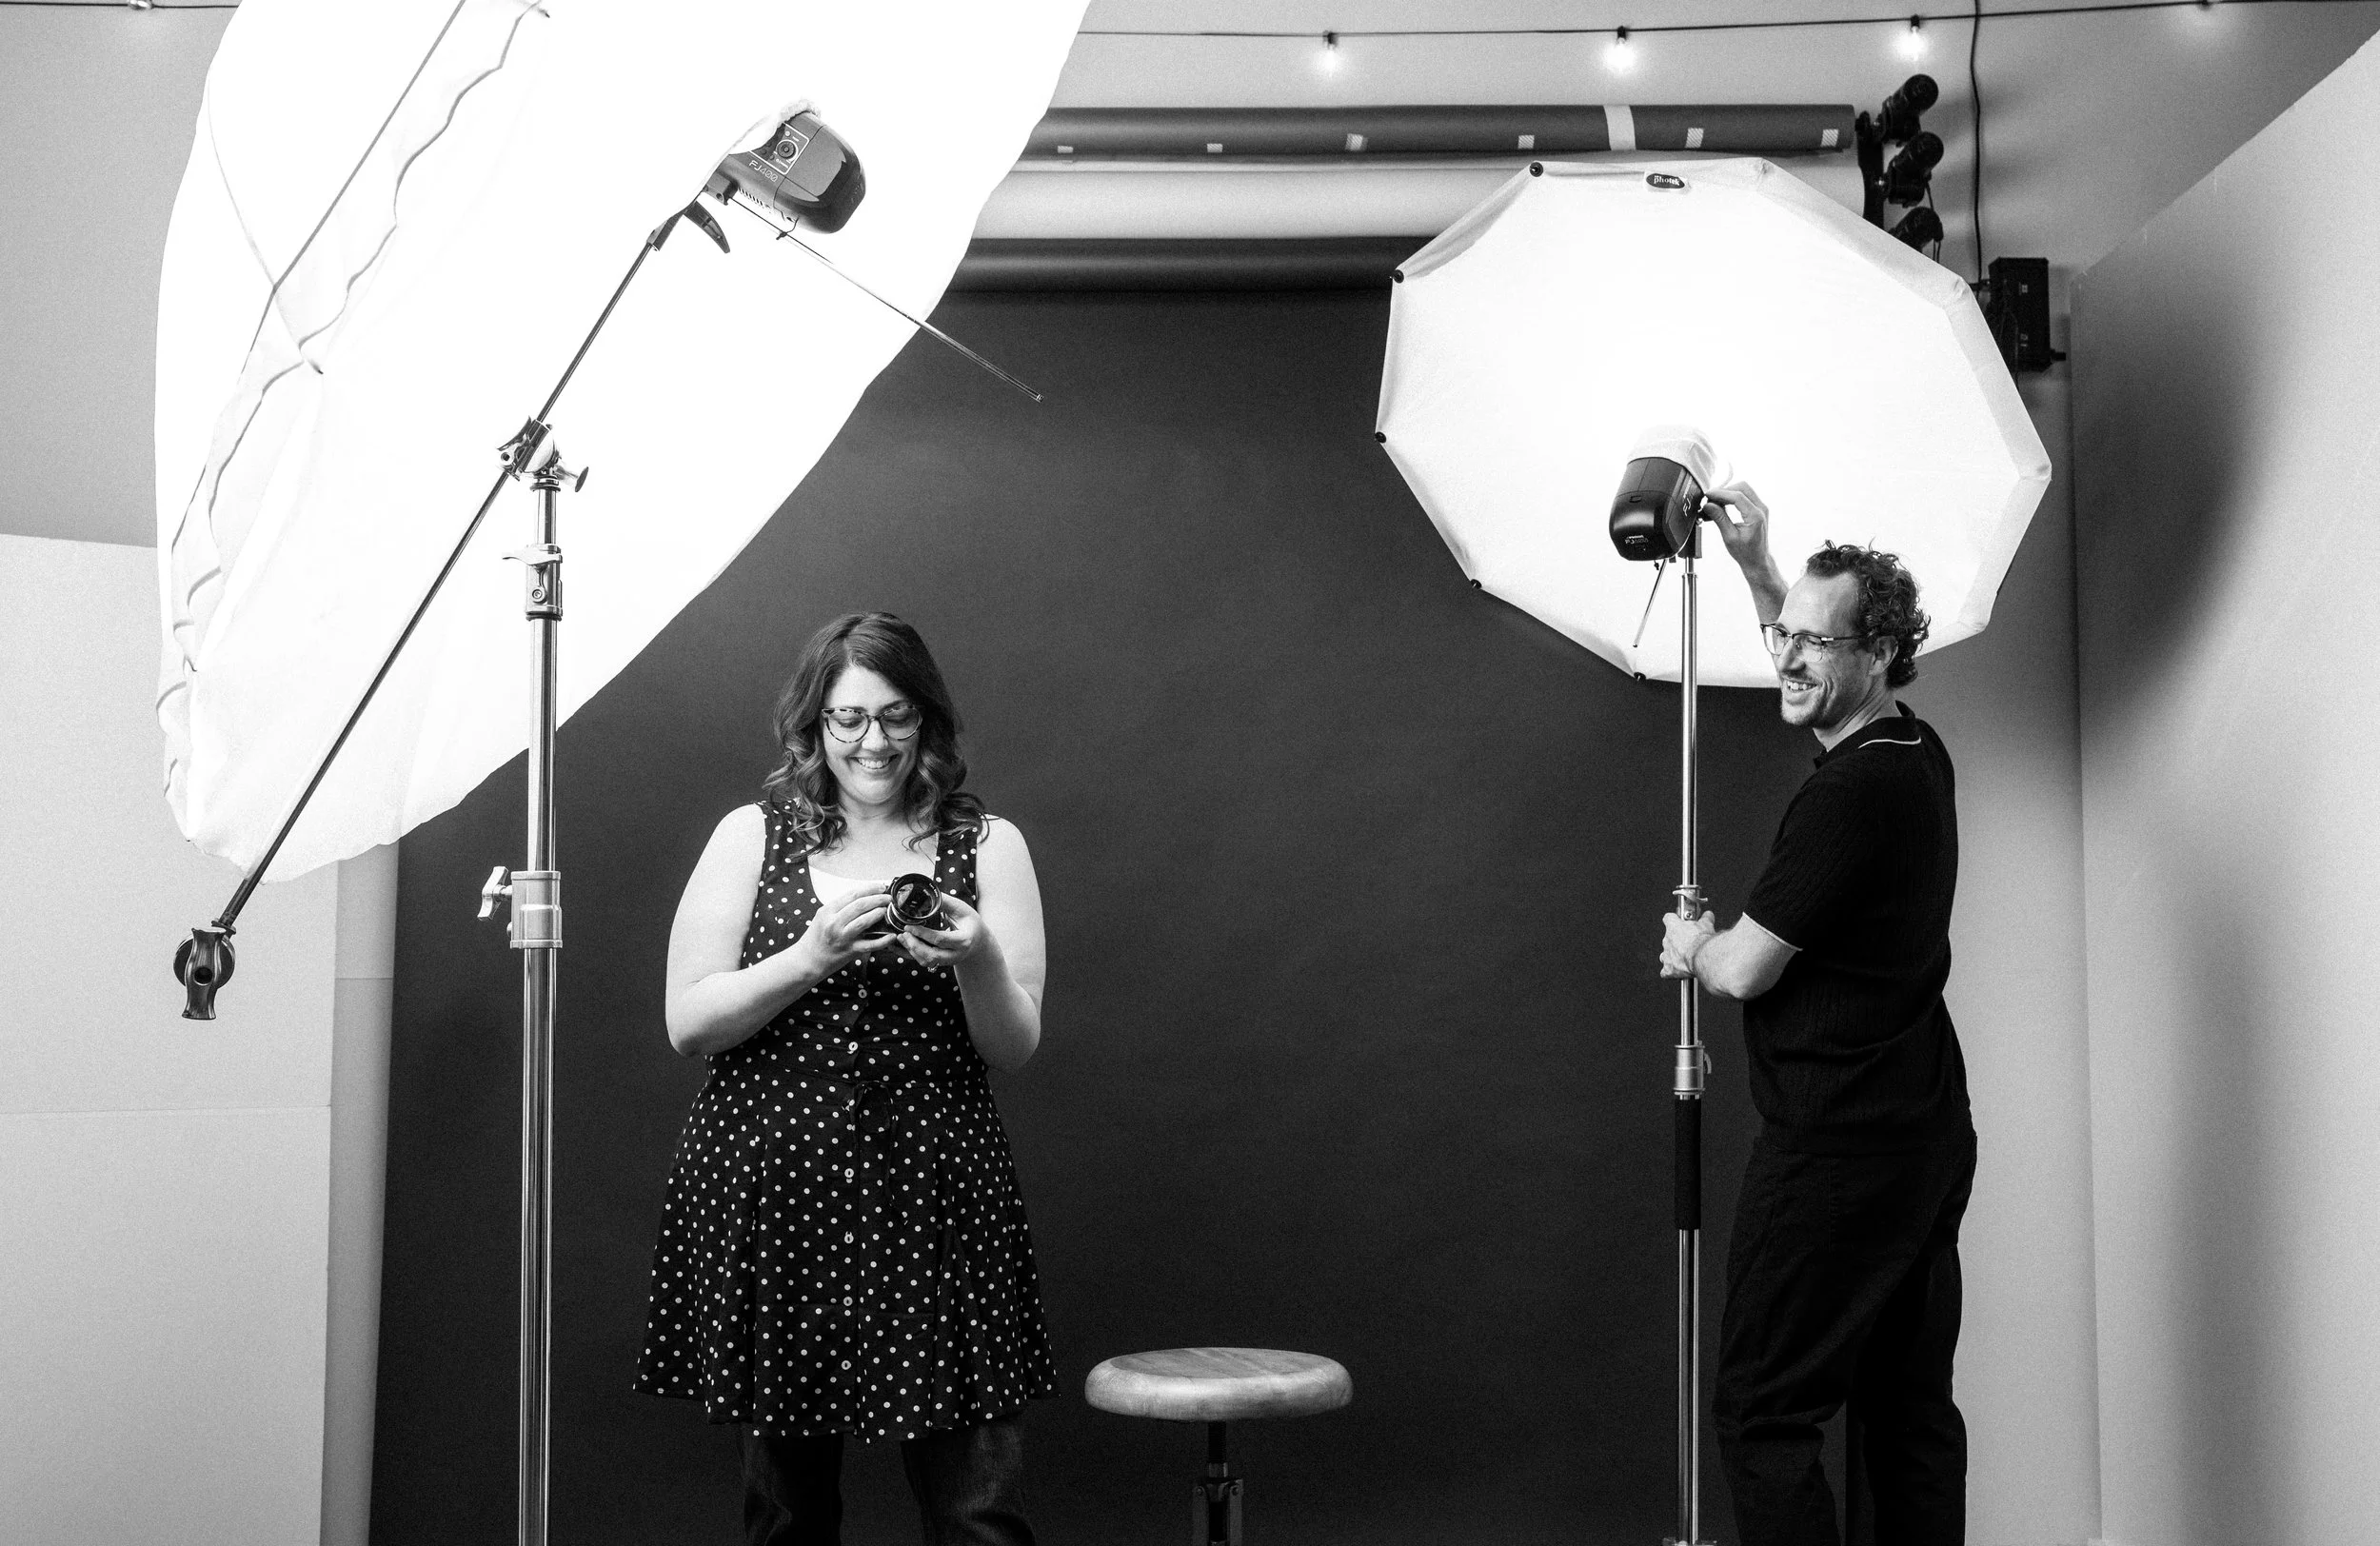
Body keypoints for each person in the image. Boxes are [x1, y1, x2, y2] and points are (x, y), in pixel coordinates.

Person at [636, 611, 1055, 1546]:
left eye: (897, 717)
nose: (874, 741)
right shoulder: (753, 835)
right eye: (849, 718)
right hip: (778, 1191)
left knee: (974, 1506)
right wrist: (811, 955)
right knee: (787, 1511)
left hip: (937, 1193)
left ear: (928, 722)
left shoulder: (987, 846)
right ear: (814, 724)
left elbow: (1012, 1044)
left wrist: (975, 952)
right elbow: (689, 1022)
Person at [1656, 488, 1976, 1546]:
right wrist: (1757, 564)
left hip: (1838, 1152)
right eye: (1782, 633)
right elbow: (1799, 657)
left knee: (1763, 1411)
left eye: (1811, 641)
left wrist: (1690, 946)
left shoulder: (1849, 796)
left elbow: (1745, 969)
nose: (1786, 659)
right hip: (1919, 1136)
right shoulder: (1910, 749)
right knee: (1907, 1415)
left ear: (1879, 650)